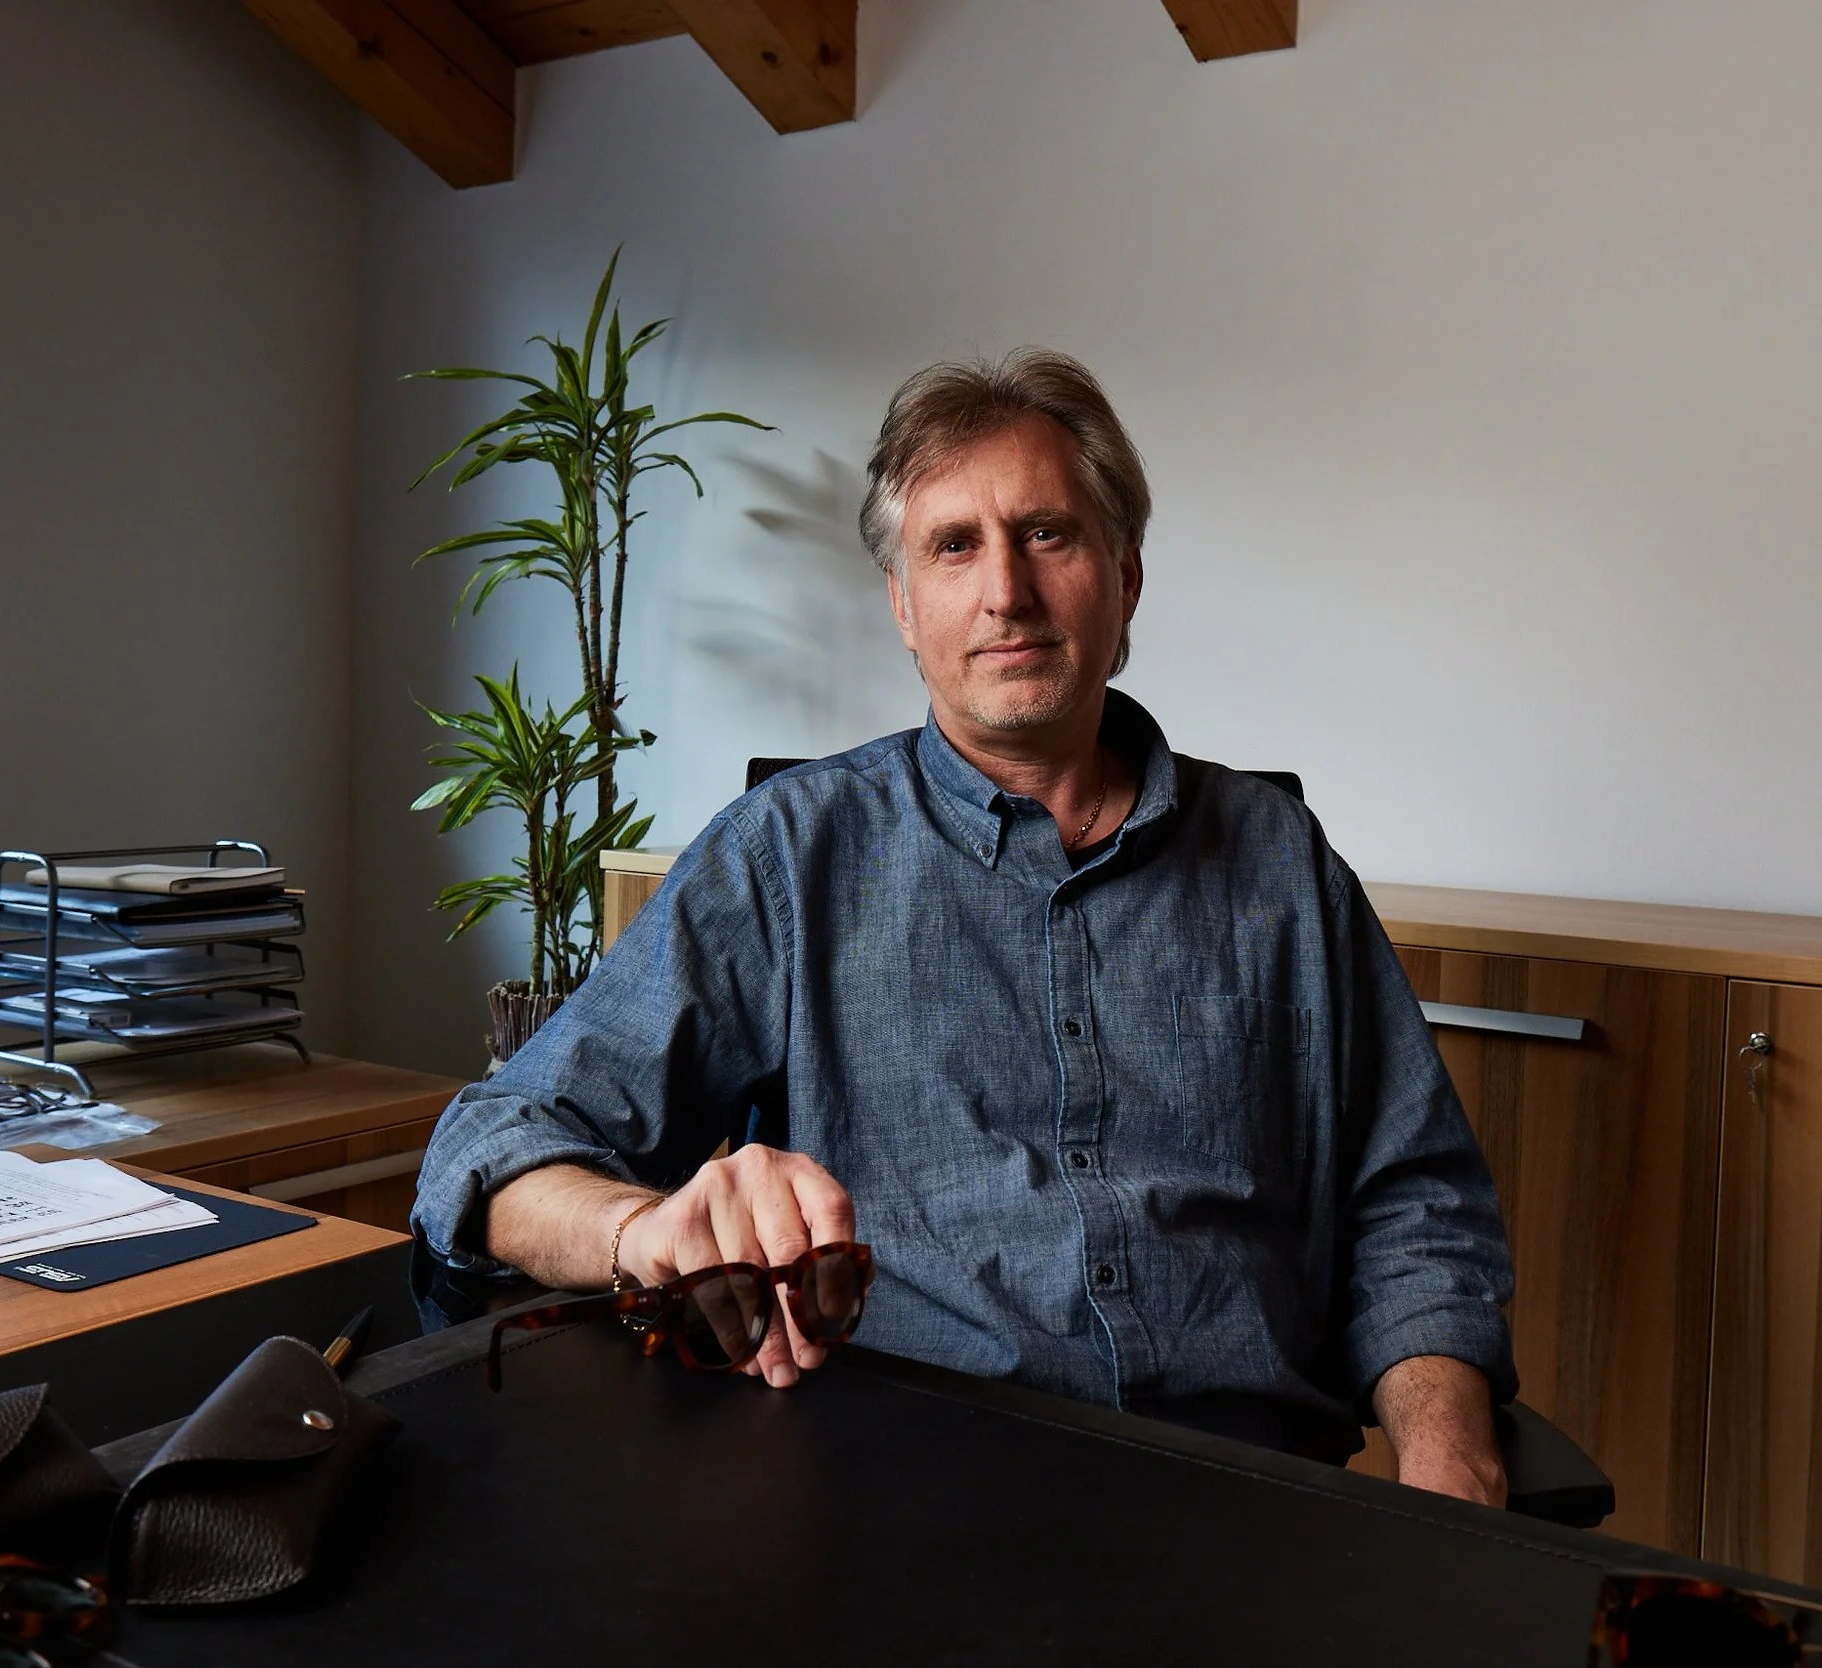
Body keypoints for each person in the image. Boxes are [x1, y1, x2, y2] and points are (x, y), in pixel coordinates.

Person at [413, 349, 1518, 1505]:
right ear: (902, 604)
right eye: (953, 545)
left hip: (1251, 1500)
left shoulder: (1279, 860)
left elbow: (1414, 1204)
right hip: (891, 1498)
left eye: (1046, 533)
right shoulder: (786, 855)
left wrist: (1451, 1465)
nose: (1006, 592)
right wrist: (642, 1231)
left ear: (1125, 575)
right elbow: (489, 1147)